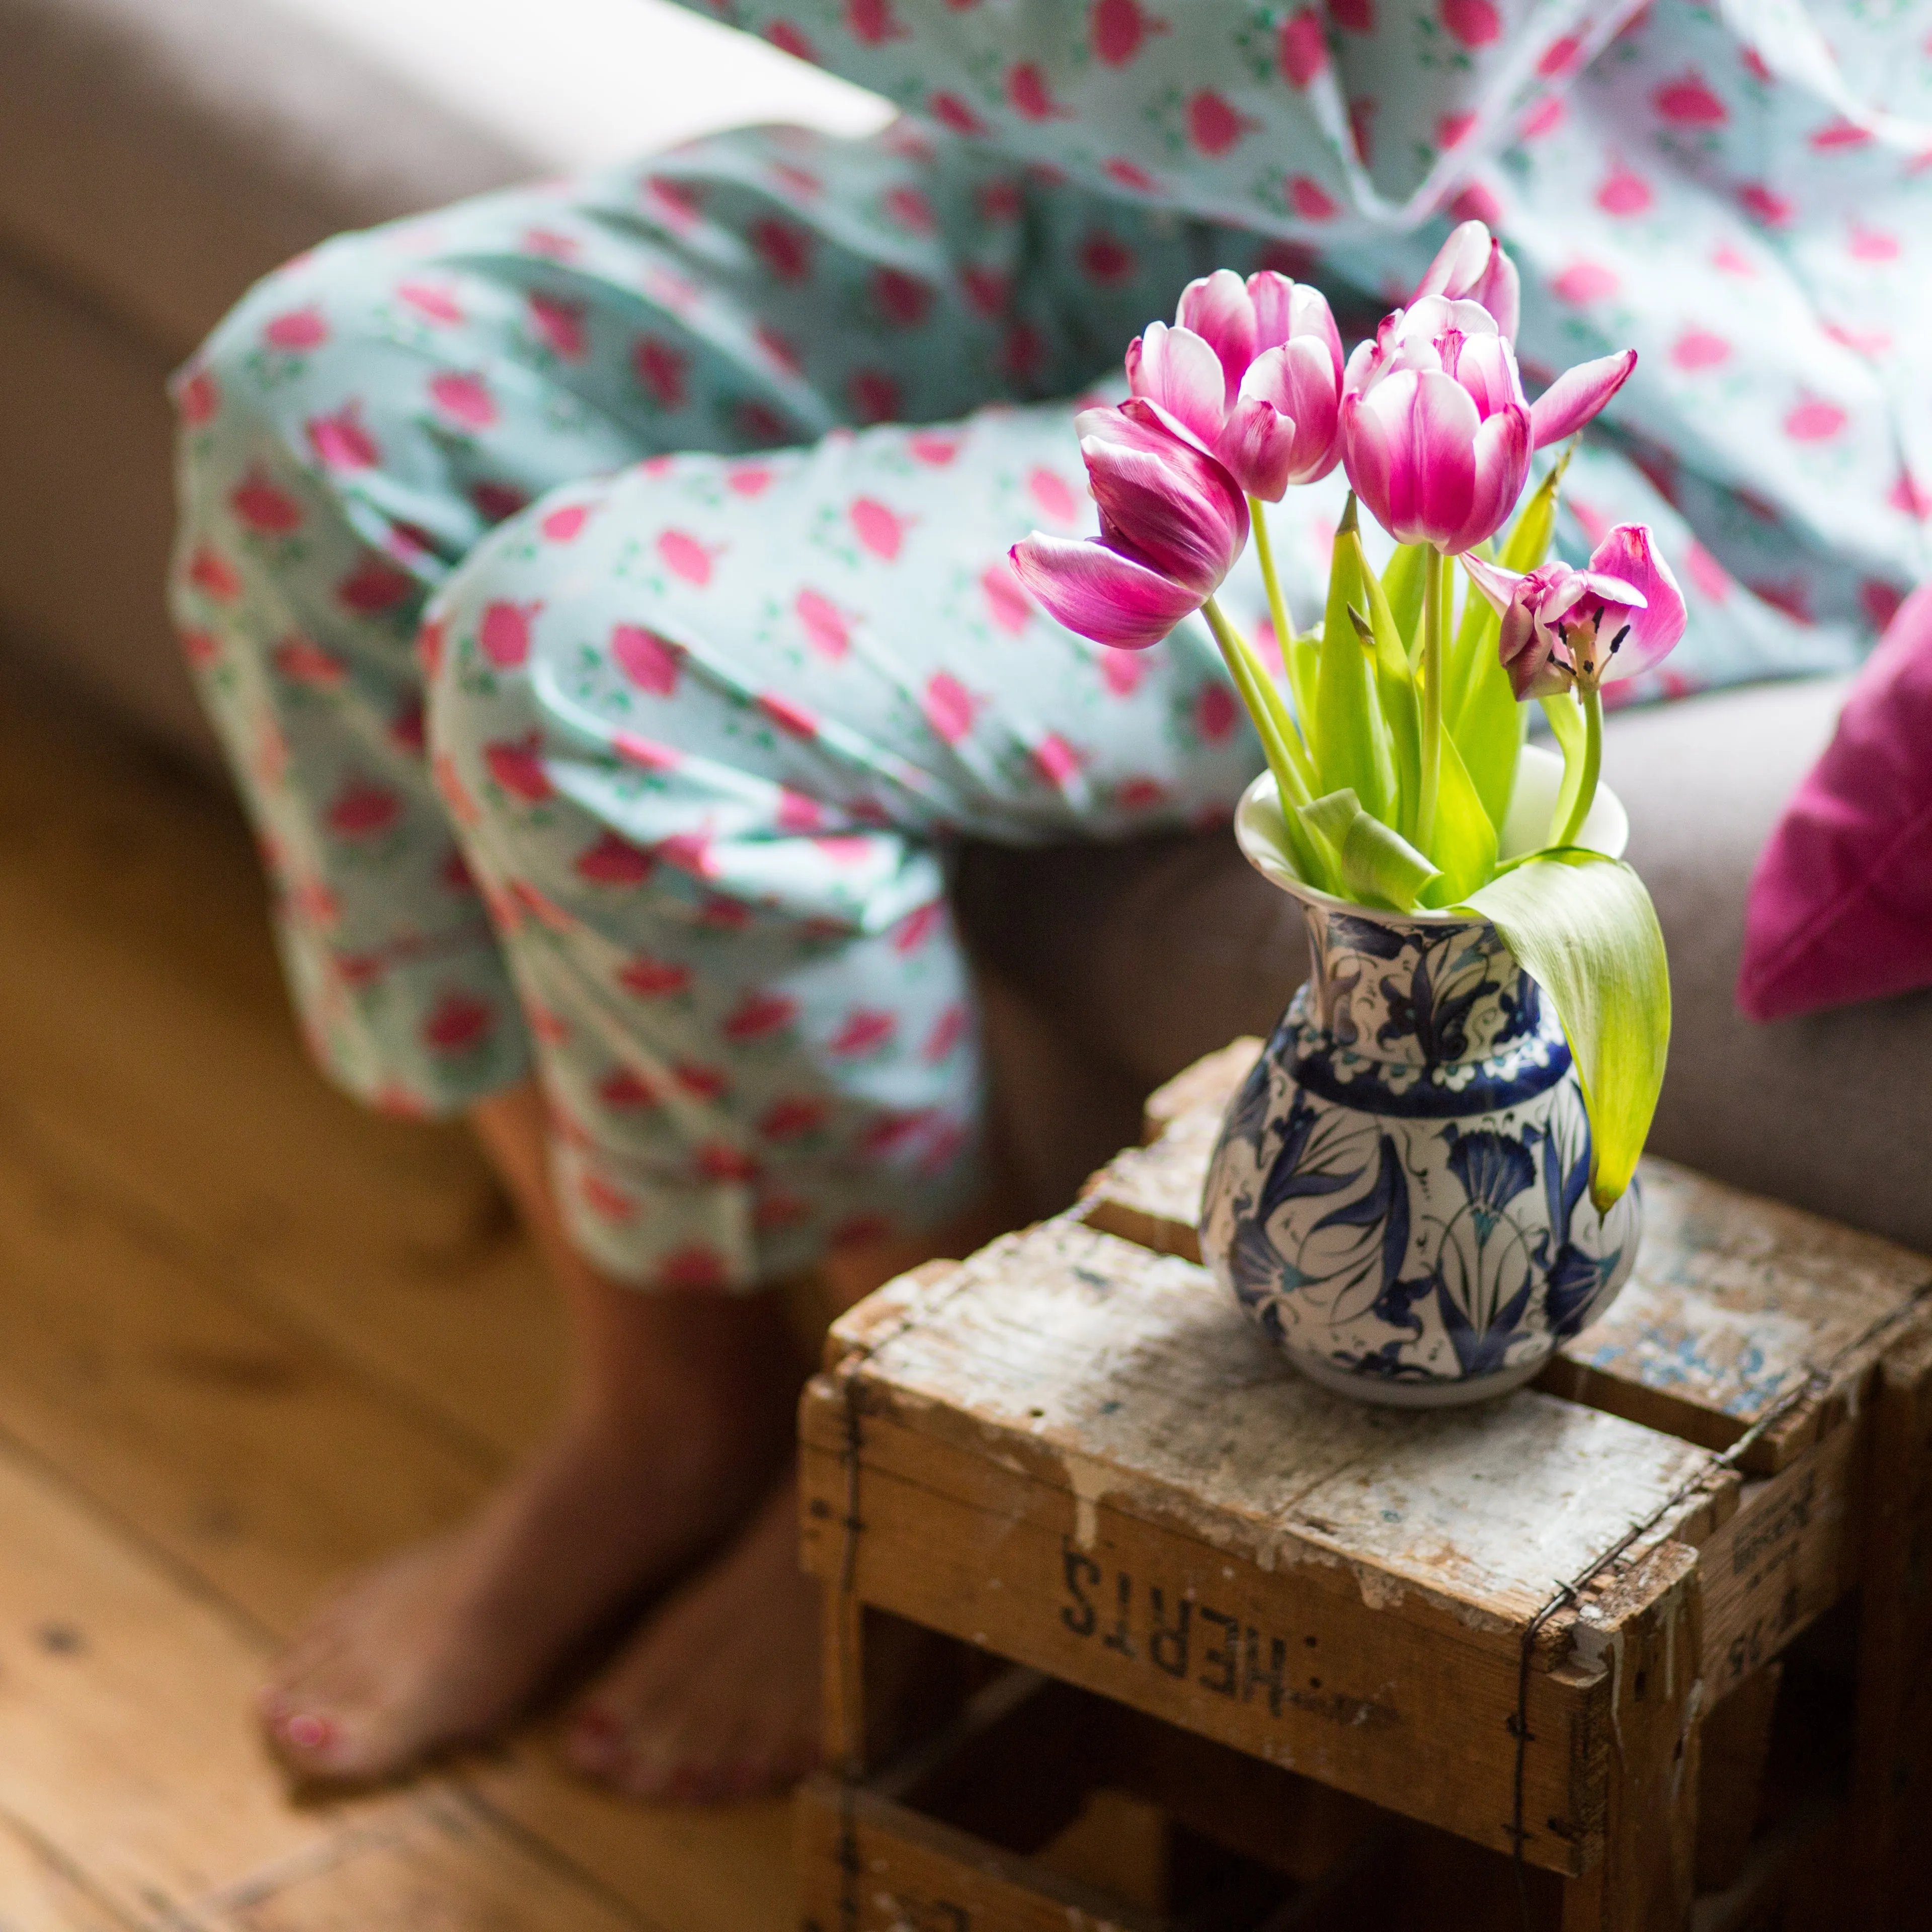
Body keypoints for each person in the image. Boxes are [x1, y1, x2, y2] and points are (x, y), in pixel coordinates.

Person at [169, 0, 1928, 1800]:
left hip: (1635, 358)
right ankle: (661, 1408)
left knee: (600, 658)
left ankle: (912, 1443)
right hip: (1125, 211)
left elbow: (1363, 97)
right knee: (313, 401)